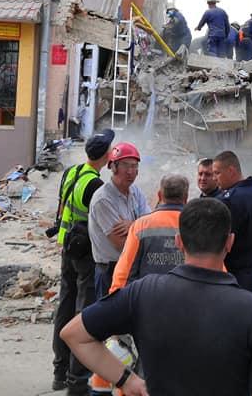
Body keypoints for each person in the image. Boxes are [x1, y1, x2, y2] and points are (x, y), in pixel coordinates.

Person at [61, 199, 252, 396]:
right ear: (229, 242)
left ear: (179, 242)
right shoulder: (251, 310)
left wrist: (126, 380)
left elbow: (73, 334)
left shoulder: (143, 293)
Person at [51, 128, 114, 395]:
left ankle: (59, 372)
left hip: (67, 246)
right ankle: (77, 379)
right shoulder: (95, 185)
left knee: (65, 305)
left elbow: (61, 207)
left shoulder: (72, 172)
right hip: (85, 254)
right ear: (105, 156)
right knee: (83, 312)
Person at [88, 142, 151, 298]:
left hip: (132, 268)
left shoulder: (135, 192)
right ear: (113, 167)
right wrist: (141, 227)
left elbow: (150, 224)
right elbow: (121, 243)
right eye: (125, 165)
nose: (131, 171)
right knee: (108, 319)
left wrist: (132, 225)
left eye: (134, 166)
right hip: (110, 270)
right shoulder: (103, 199)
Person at [110, 174, 189, 293]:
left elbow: (125, 273)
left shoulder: (141, 226)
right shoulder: (198, 225)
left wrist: (116, 300)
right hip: (188, 302)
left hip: (148, 301)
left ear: (159, 195)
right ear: (186, 197)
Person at [212, 150, 252, 295]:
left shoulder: (230, 200)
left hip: (231, 276)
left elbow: (217, 242)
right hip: (251, 272)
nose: (214, 178)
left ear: (231, 171)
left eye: (217, 173)